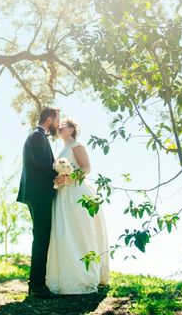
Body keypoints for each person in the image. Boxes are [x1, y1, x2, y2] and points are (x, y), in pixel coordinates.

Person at [46, 116, 110, 295]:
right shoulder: (61, 150)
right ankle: (65, 277)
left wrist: (68, 177)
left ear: (72, 129)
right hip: (63, 195)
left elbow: (86, 168)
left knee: (79, 232)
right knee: (64, 233)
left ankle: (84, 276)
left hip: (76, 193)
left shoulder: (77, 146)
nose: (59, 128)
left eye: (63, 126)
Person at [17, 106, 63, 298]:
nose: (59, 124)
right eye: (58, 120)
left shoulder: (38, 136)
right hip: (39, 195)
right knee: (41, 239)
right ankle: (37, 286)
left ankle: (35, 284)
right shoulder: (37, 136)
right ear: (50, 120)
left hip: (37, 194)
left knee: (41, 238)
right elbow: (43, 165)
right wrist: (61, 173)